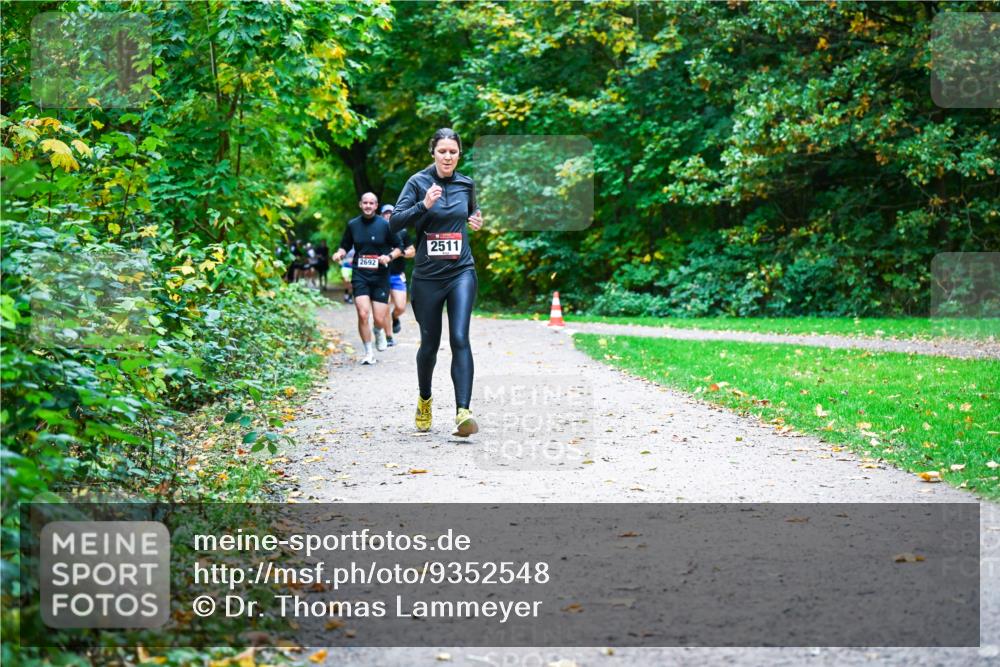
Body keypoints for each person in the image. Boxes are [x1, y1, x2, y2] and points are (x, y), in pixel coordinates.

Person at [390, 128, 484, 436]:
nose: (448, 156)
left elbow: (470, 214)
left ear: (459, 154)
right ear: (433, 152)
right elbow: (394, 222)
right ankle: (425, 399)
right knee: (429, 345)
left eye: (453, 152)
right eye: (442, 151)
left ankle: (463, 412)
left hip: (461, 271)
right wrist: (423, 206)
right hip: (428, 276)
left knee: (460, 337)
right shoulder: (418, 183)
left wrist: (476, 221)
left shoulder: (466, 184)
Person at [331, 192, 404, 365]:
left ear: (376, 205)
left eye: (372, 203)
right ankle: (368, 352)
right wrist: (339, 253)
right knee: (363, 314)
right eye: (365, 203)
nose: (368, 206)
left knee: (379, 318)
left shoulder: (385, 225)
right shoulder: (353, 225)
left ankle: (378, 331)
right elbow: (345, 246)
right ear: (360, 205)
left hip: (380, 276)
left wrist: (389, 257)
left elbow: (399, 247)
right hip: (360, 274)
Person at [381, 204, 416, 348]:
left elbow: (412, 251)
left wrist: (399, 252)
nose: (388, 215)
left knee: (401, 307)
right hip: (381, 275)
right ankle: (388, 337)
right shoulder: (377, 232)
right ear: (381, 215)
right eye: (385, 213)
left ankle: (395, 318)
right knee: (384, 307)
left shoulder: (402, 232)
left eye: (391, 213)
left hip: (397, 275)